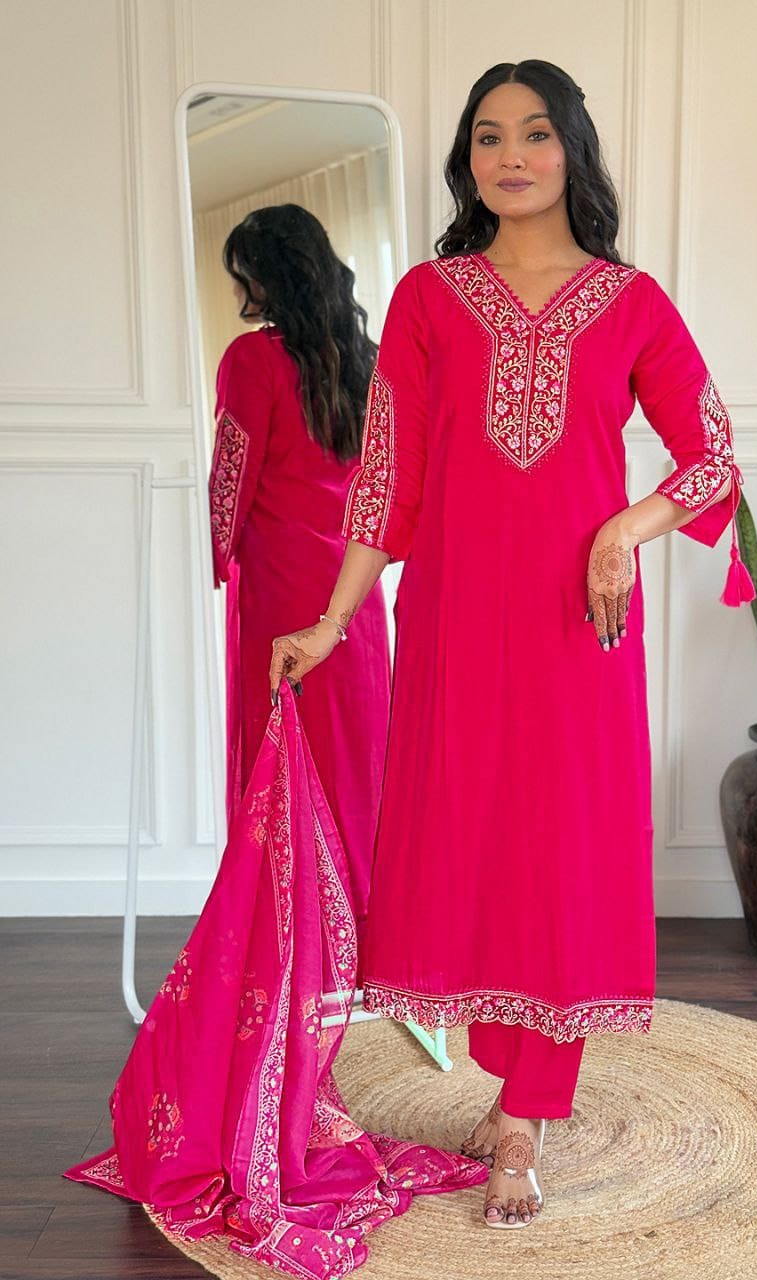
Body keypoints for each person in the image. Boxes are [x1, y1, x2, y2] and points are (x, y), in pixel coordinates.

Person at [268, 61, 755, 1231]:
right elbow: (390, 478)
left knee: (561, 858)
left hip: (575, 634)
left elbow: (714, 456)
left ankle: (525, 1119)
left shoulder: (631, 302)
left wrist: (624, 527)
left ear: (572, 151)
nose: (512, 156)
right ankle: (507, 1083)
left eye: (537, 134)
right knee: (469, 845)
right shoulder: (434, 299)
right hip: (454, 622)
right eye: (489, 137)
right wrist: (331, 617)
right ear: (469, 161)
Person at [210, 205, 391, 938]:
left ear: (264, 278)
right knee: (357, 754)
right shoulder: (366, 360)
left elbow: (233, 480)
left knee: (280, 749)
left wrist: (215, 556)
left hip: (282, 582)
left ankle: (289, 929)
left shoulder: (252, 360)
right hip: (355, 589)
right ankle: (361, 928)